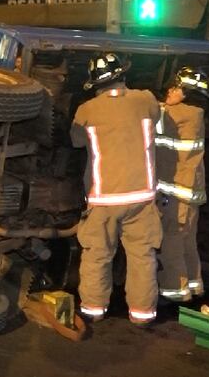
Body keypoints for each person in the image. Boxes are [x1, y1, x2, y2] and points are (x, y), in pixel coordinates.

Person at [70, 53, 162, 327]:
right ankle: (142, 314)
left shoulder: (87, 110)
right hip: (142, 197)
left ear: (96, 84)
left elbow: (75, 142)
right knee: (142, 256)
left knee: (97, 254)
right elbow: (156, 119)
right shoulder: (146, 100)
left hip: (103, 198)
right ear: (123, 75)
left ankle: (94, 310)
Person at [155, 67, 209, 303]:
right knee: (188, 239)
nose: (169, 91)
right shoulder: (197, 113)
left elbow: (150, 121)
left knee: (172, 242)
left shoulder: (178, 113)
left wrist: (160, 104)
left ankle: (174, 292)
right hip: (190, 190)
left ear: (184, 92)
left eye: (175, 88)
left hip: (175, 190)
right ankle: (194, 285)